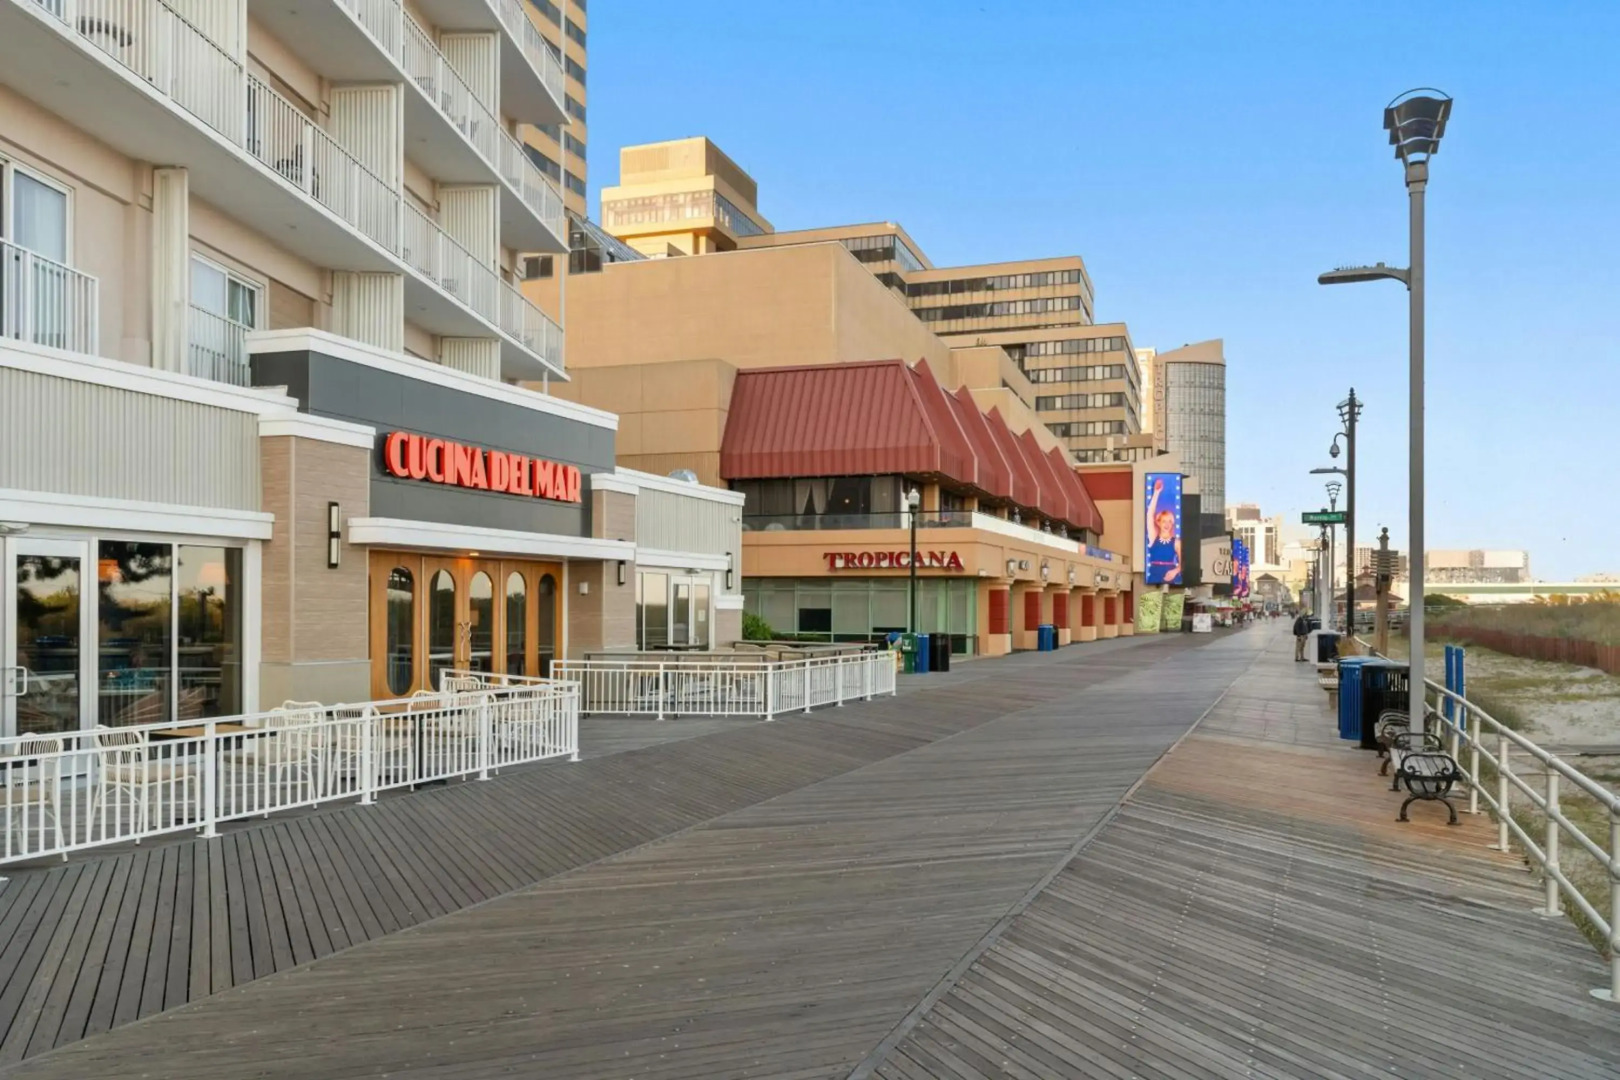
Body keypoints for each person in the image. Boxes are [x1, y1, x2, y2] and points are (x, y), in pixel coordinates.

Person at [1144, 478, 1181, 583]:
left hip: (1172, 579)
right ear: (1158, 522)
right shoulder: (1153, 537)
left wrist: (1175, 571)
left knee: (1173, 599)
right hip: (1154, 578)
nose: (1167, 524)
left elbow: (1184, 562)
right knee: (1150, 600)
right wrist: (1156, 492)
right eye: (1164, 521)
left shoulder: (1176, 542)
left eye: (1170, 521)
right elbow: (1149, 515)